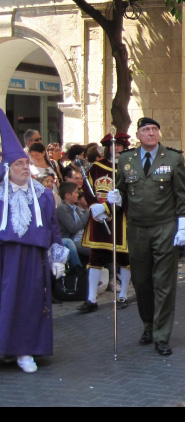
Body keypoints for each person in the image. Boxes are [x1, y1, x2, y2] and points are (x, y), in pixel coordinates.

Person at [111, 117, 185, 356]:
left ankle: (161, 334)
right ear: (138, 135)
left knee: (164, 282)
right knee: (141, 280)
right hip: (136, 228)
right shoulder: (126, 159)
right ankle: (148, 324)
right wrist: (114, 201)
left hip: (164, 226)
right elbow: (121, 190)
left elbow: (181, 194)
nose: (151, 133)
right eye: (146, 130)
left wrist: (183, 225)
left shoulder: (173, 158)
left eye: (155, 129)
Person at [0, 109, 67, 373]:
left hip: (32, 260)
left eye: (26, 164)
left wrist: (58, 257)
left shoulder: (42, 196)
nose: (25, 168)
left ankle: (26, 351)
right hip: (4, 258)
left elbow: (52, 228)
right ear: (7, 168)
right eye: (19, 165)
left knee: (28, 302)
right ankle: (6, 347)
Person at [79, 133, 131, 313]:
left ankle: (123, 294)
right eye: (113, 146)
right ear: (107, 148)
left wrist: (109, 208)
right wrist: (94, 206)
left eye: (120, 146)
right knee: (96, 258)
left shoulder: (129, 168)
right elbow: (87, 188)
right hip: (99, 219)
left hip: (121, 218)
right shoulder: (96, 168)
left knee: (125, 258)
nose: (117, 149)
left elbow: (129, 193)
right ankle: (91, 298)